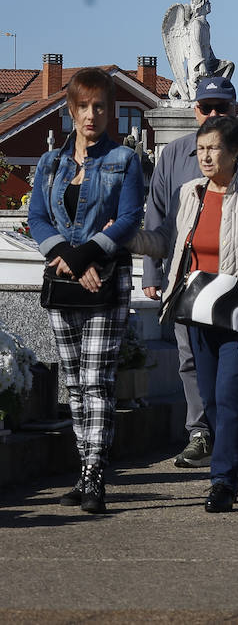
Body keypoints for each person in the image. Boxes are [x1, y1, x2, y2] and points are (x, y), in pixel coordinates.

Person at [129, 116, 238, 512]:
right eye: (200, 149)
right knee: (210, 401)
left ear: (235, 152)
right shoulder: (189, 193)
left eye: (214, 148)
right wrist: (126, 237)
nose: (205, 156)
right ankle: (228, 464)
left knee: (230, 396)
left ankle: (224, 480)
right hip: (197, 311)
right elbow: (166, 241)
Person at [29, 68, 144, 514]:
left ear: (110, 111)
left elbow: (130, 216)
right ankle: (82, 470)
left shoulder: (125, 160)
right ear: (71, 111)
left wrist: (88, 258)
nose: (91, 115)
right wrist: (67, 259)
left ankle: (96, 473)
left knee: (97, 381)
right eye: (83, 107)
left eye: (99, 107)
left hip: (106, 282)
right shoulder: (51, 163)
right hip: (64, 283)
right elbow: (38, 216)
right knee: (74, 384)